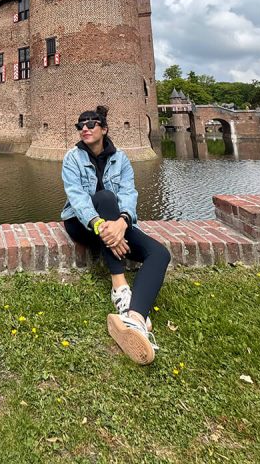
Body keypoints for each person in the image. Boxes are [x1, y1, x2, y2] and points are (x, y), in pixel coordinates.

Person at [61, 105, 171, 364]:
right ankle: (120, 287)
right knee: (105, 197)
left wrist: (123, 222)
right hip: (82, 224)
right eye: (80, 125)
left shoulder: (120, 158)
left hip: (115, 224)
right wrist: (102, 227)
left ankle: (134, 320)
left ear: (104, 128)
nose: (84, 128)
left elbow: (129, 193)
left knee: (159, 254)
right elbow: (76, 197)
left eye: (91, 124)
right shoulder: (72, 158)